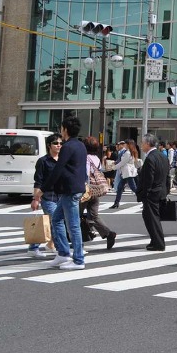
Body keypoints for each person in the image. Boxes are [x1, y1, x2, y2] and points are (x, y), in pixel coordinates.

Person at [40, 116, 88, 270]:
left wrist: (43, 188)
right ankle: (63, 253)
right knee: (56, 219)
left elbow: (58, 169)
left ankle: (78, 260)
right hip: (75, 188)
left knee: (73, 225)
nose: (61, 131)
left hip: (70, 190)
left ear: (65, 130)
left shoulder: (67, 147)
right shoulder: (80, 145)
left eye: (61, 128)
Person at [27, 134, 63, 259]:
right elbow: (38, 181)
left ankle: (35, 247)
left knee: (49, 222)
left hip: (61, 196)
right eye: (55, 143)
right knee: (56, 221)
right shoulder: (43, 161)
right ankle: (61, 249)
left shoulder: (63, 160)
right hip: (48, 196)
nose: (59, 145)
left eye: (60, 143)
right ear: (49, 145)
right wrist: (35, 199)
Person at [80, 136, 117, 250]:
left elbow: (86, 174)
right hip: (96, 190)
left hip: (87, 191)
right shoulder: (96, 158)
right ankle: (108, 233)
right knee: (94, 215)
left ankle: (79, 240)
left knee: (76, 214)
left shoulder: (85, 158)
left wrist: (83, 188)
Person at [136, 133, 170, 251]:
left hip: (152, 193)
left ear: (147, 144)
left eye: (142, 143)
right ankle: (154, 241)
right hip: (161, 191)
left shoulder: (150, 158)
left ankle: (158, 243)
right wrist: (166, 191)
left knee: (152, 219)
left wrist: (145, 194)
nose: (141, 145)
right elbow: (167, 176)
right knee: (151, 217)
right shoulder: (163, 156)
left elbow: (148, 180)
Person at [110, 139, 139, 210]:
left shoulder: (128, 153)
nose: (124, 145)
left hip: (128, 173)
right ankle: (116, 203)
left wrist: (114, 167)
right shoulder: (129, 151)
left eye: (125, 144)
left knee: (133, 188)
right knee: (120, 187)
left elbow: (122, 163)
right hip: (126, 173)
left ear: (128, 144)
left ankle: (145, 200)